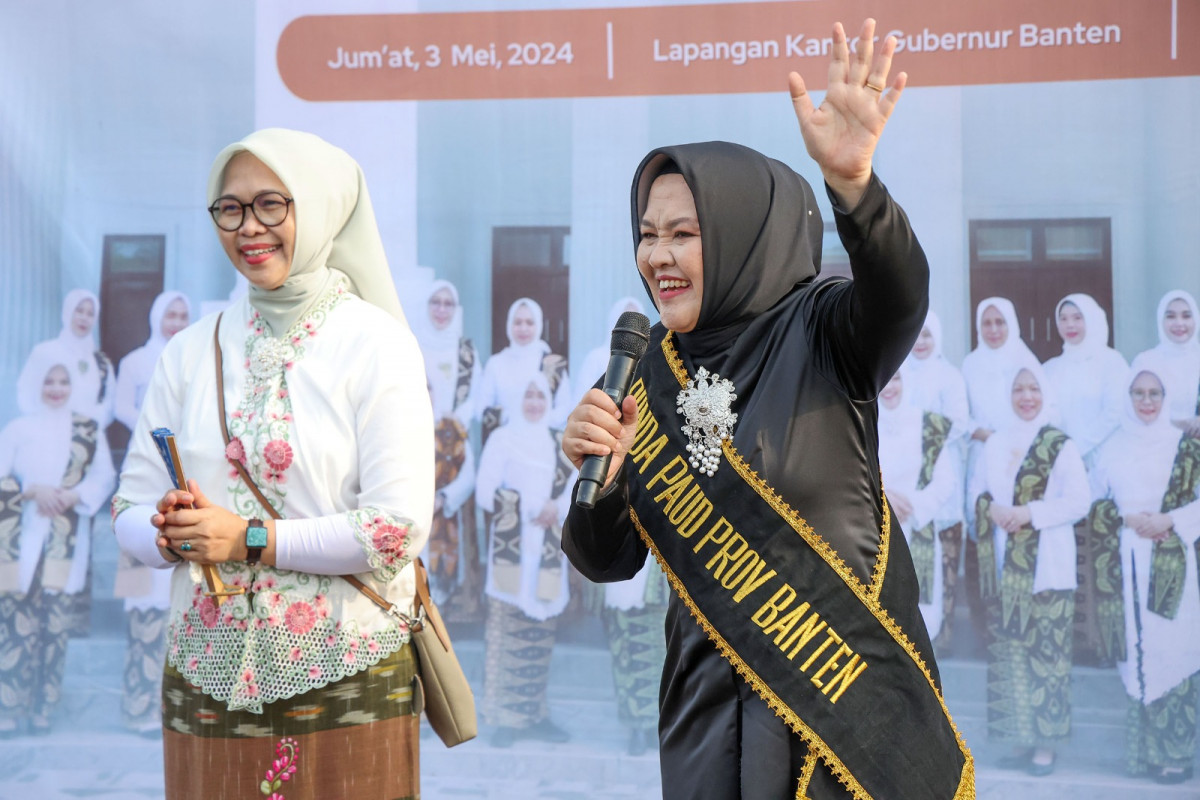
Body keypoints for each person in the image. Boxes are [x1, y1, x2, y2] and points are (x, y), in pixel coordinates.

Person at [561, 20, 972, 798]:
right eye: (647, 235)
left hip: (842, 717)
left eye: (684, 234)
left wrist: (854, 187)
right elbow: (607, 560)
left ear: (742, 233)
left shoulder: (822, 330)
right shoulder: (647, 373)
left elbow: (899, 295)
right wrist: (602, 483)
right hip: (706, 718)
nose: (657, 256)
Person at [111, 129, 434, 799]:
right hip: (206, 679)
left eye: (270, 204)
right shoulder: (191, 350)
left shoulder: (377, 344)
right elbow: (127, 508)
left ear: (317, 206)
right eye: (229, 208)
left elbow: (394, 530)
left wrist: (246, 538)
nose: (248, 228)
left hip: (346, 676)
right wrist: (168, 531)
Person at [969, 363, 1089, 777]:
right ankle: (1020, 737)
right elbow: (978, 492)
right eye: (1018, 389)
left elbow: (1080, 502)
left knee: (1048, 657)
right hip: (1008, 570)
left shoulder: (1060, 445)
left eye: (1034, 388)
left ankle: (1046, 746)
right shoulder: (995, 442)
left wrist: (1028, 513)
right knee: (1012, 657)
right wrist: (991, 510)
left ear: (1046, 393)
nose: (1026, 396)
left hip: (1049, 569)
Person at [1091, 354, 1200, 785]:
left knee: (1174, 649)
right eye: (1138, 393)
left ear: (1167, 396)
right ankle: (1143, 753)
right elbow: (1094, 500)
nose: (1147, 401)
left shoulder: (1186, 448)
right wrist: (1125, 517)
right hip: (1126, 561)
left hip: (1172, 563)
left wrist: (1169, 519)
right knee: (1137, 650)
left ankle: (1176, 753)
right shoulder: (1114, 444)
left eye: (1155, 393)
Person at [0, 354, 115, 737]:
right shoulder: (17, 428)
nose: (56, 389)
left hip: (65, 539)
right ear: (36, 383)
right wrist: (32, 491)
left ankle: (43, 709)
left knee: (55, 626)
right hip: (19, 541)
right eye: (49, 381)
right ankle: (9, 708)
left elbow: (104, 476)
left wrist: (73, 495)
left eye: (63, 381)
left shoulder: (88, 430)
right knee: (15, 625)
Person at [581, 295, 668, 757]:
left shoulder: (666, 387)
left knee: (653, 639)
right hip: (620, 516)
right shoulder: (604, 383)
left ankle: (653, 721)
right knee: (621, 636)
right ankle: (631, 721)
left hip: (657, 531)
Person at [474, 374, 576, 748]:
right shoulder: (502, 438)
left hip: (547, 550)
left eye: (540, 396)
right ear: (518, 398)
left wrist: (556, 508)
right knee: (508, 633)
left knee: (540, 635)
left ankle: (535, 714)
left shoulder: (558, 442)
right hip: (511, 552)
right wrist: (529, 506)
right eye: (528, 395)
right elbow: (484, 492)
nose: (534, 402)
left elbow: (575, 485)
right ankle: (505, 719)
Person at [111, 289, 193, 733]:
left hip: (182, 473)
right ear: (156, 316)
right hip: (145, 474)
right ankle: (136, 708)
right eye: (170, 314)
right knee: (141, 606)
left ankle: (169, 710)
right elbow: (121, 406)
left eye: (183, 315)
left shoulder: (194, 362)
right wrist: (155, 427)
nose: (176, 321)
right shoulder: (136, 362)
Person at [1041, 293, 1129, 666]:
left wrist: (1077, 446)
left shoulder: (1112, 362)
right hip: (1063, 471)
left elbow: (1116, 412)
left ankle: (1104, 644)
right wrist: (1065, 453)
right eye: (1064, 318)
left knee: (1102, 556)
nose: (1071, 325)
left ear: (1092, 319)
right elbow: (1045, 414)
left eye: (1077, 317)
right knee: (1069, 553)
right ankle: (1072, 642)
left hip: (1102, 468)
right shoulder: (1051, 368)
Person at [900, 310, 970, 650]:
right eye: (916, 334)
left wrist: (924, 435)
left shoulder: (949, 375)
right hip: (905, 480)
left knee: (945, 558)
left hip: (940, 473)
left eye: (927, 335)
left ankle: (942, 634)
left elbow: (959, 422)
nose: (921, 342)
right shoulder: (898, 371)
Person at [414, 280, 481, 609]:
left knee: (451, 506)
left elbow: (476, 395)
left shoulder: (466, 350)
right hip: (415, 434)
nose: (442, 309)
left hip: (454, 444)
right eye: (435, 302)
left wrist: (452, 423)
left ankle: (449, 598)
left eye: (448, 304)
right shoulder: (411, 344)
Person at [877, 370, 957, 642]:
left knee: (922, 614)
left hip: (918, 526)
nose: (889, 387)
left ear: (907, 380)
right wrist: (883, 498)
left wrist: (910, 505)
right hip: (876, 525)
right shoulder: (863, 422)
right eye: (884, 378)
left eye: (896, 378)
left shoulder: (929, 424)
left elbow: (945, 481)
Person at [16, 289, 117, 430]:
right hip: (46, 432)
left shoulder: (102, 362)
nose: (84, 318)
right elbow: (25, 391)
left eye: (90, 314)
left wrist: (90, 423)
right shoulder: (44, 352)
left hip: (86, 436)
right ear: (68, 312)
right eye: (79, 311)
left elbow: (110, 401)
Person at [476, 297, 572, 436]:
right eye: (517, 322)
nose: (523, 328)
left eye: (529, 323)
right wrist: (511, 419)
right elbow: (481, 409)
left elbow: (565, 408)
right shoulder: (495, 363)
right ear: (509, 324)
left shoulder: (552, 364)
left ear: (538, 325)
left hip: (543, 441)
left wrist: (537, 422)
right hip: (505, 440)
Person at [1134, 290, 1200, 437]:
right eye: (1170, 316)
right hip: (1156, 442)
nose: (1179, 323)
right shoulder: (1146, 362)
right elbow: (1135, 410)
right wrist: (1181, 425)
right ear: (1160, 320)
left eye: (1186, 316)